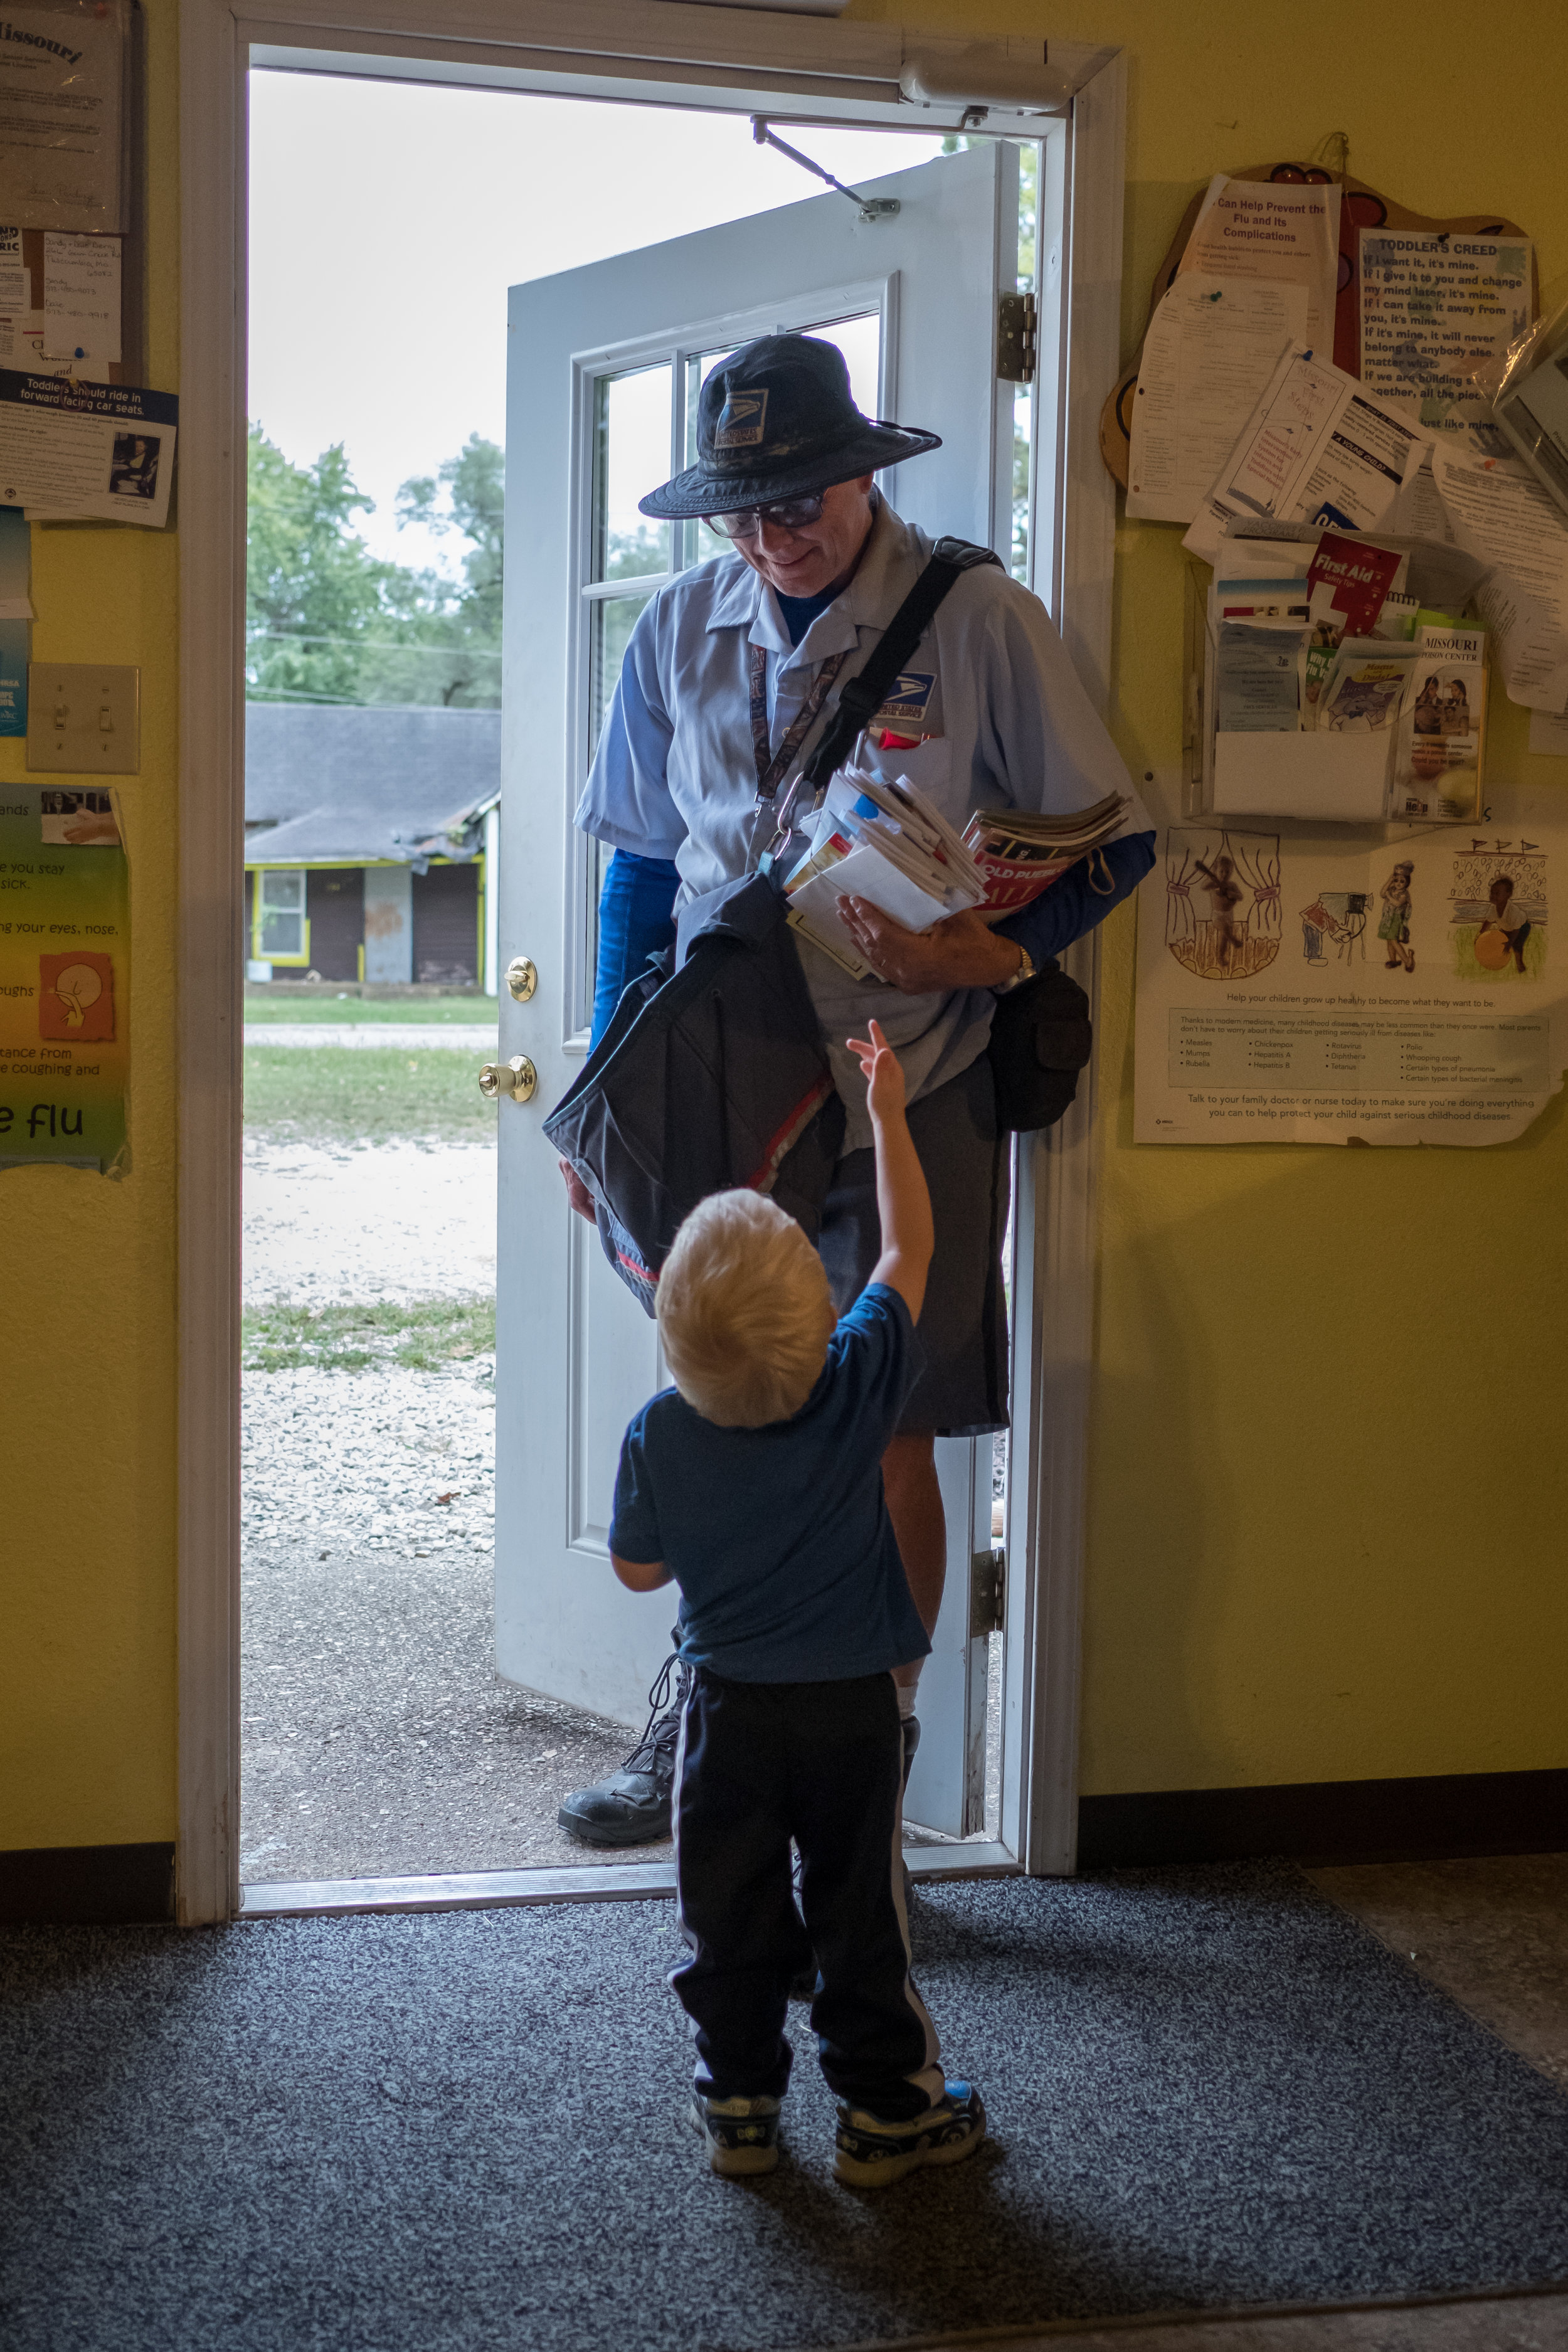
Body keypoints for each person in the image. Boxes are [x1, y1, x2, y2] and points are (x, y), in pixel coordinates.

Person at [558, 331, 1155, 1848]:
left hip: (918, 1066)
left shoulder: (977, 615)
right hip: (723, 1065)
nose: (776, 534)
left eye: (800, 496)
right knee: (718, 1391)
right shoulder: (679, 626)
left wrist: (993, 952)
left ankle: (865, 1786)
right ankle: (696, 1723)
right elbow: (638, 861)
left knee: (886, 1417)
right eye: (746, 510)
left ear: (859, 473)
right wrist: (612, 1080)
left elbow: (1118, 843)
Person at [610, 1017, 985, 2188]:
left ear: (674, 1340)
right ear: (819, 1320)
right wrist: (885, 1111)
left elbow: (638, 1573)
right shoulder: (855, 1386)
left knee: (727, 1917)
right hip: (850, 1718)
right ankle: (888, 2114)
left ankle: (738, 2106)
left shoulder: (661, 1432)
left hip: (726, 1718)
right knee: (857, 1915)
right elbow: (906, 1253)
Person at [1479, 872, 1531, 973]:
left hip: (1522, 927)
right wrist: (1480, 935)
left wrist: (1509, 944)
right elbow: (1488, 922)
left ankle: (1520, 964)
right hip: (1508, 927)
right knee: (1498, 941)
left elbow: (1516, 930)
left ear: (1508, 895)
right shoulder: (1494, 908)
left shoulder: (1513, 911)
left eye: (1497, 893)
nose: (1493, 896)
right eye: (1492, 893)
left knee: (1516, 946)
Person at [1379, 859, 1415, 973]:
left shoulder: (1404, 893)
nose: (1398, 883)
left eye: (1402, 881)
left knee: (1394, 940)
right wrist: (1390, 881)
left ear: (1407, 883)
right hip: (1388, 918)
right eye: (1396, 881)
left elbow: (1398, 903)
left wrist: (1389, 896)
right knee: (1389, 941)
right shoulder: (1392, 889)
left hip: (1396, 919)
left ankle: (1408, 961)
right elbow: (1382, 893)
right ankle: (1393, 960)